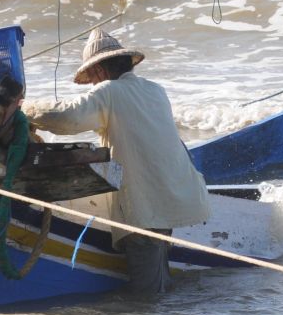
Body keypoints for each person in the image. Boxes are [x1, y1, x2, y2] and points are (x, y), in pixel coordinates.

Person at [25, 30, 210, 296]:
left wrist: (24, 110)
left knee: (147, 297)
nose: (92, 85)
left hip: (144, 205)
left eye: (92, 79)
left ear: (99, 70)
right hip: (171, 196)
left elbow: (67, 118)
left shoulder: (108, 92)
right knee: (159, 276)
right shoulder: (155, 90)